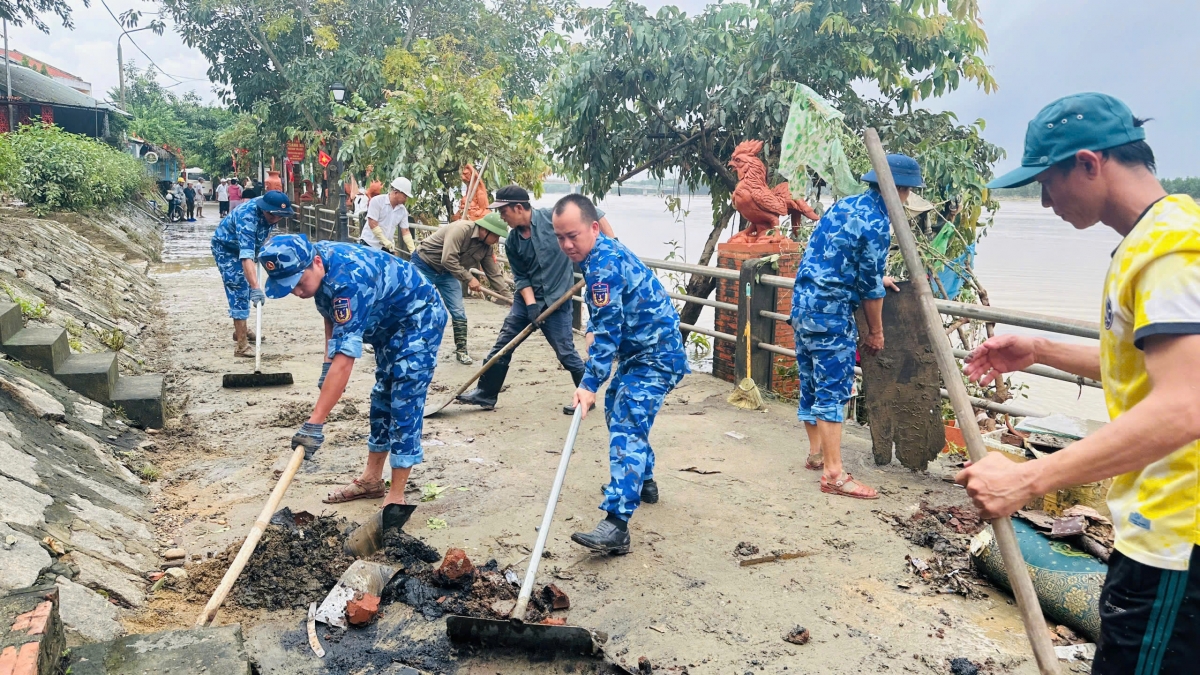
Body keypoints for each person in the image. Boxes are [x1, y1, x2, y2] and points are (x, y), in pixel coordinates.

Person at [955, 93, 1200, 675]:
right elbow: (1148, 369)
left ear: (1089, 164)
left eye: (1048, 181)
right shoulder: (1158, 238)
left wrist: (1027, 478)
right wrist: (1040, 349)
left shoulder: (1168, 252)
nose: (1044, 200)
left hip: (1176, 540)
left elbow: (1184, 405)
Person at [260, 234, 447, 507]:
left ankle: (397, 496)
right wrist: (327, 364)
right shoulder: (319, 264)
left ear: (316, 263)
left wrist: (315, 422)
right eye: (289, 287)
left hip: (419, 317)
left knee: (404, 397)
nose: (297, 292)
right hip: (386, 323)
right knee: (382, 393)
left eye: (299, 283)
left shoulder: (348, 280)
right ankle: (372, 480)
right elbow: (332, 316)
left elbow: (346, 359)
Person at [554, 194, 689, 555]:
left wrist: (588, 384)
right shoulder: (598, 253)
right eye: (560, 237)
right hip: (641, 350)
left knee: (627, 420)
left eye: (574, 236)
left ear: (594, 228)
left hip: (657, 354)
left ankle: (616, 525)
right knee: (619, 407)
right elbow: (605, 320)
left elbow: (608, 334)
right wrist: (591, 332)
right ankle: (643, 482)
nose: (567, 244)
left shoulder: (603, 264)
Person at [790, 154, 915, 500]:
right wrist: (876, 332)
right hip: (831, 313)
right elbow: (871, 291)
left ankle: (816, 453)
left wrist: (876, 275)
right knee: (833, 388)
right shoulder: (876, 222)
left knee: (811, 380)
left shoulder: (844, 206)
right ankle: (833, 473)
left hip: (802, 304)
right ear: (900, 190)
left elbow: (834, 256)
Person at [456, 184, 589, 414]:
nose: (501, 217)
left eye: (503, 211)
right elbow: (522, 277)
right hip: (527, 300)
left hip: (558, 300)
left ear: (518, 208)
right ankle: (486, 394)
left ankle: (587, 394)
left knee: (565, 351)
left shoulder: (552, 218)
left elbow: (595, 214)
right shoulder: (513, 242)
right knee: (503, 345)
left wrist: (610, 243)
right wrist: (531, 306)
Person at [411, 213, 509, 365]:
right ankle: (398, 342)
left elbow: (493, 273)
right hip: (425, 265)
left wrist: (508, 297)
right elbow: (448, 258)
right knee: (413, 306)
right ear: (485, 230)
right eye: (496, 236)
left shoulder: (486, 247)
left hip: (448, 273)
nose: (497, 240)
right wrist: (469, 278)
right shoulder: (461, 229)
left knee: (458, 311)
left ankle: (461, 351)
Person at [209, 190, 296, 357]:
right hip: (227, 248)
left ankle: (240, 329)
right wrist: (256, 287)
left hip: (248, 249)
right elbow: (245, 256)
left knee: (247, 286)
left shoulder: (272, 209)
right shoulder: (246, 217)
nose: (276, 220)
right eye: (273, 216)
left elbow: (260, 240)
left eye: (280, 217)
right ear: (265, 210)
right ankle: (241, 345)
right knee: (239, 288)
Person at [362, 177, 414, 254]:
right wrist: (384, 240)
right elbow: (372, 223)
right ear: (396, 193)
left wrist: (413, 250)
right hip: (369, 244)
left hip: (386, 248)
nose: (406, 199)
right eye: (405, 196)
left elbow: (405, 231)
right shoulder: (377, 201)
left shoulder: (403, 211)